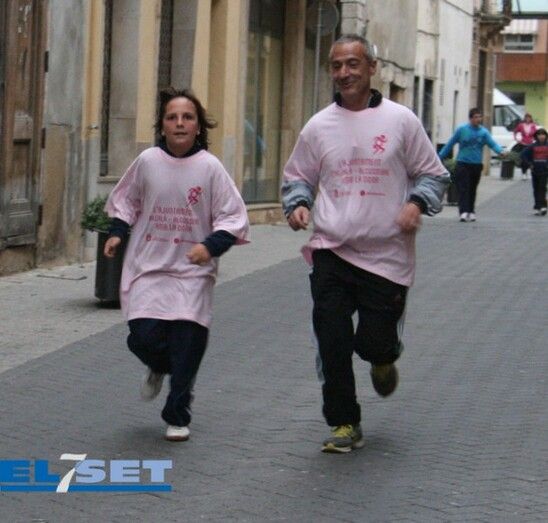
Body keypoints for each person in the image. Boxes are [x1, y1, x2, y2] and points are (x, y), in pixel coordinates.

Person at [281, 34, 449, 454]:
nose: (344, 73)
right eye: (337, 65)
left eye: (353, 64)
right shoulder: (318, 126)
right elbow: (298, 176)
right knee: (332, 340)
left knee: (372, 343)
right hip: (332, 249)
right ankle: (344, 422)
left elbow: (434, 174)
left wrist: (415, 203)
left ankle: (384, 356)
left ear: (372, 68)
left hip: (387, 256)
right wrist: (298, 204)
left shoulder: (401, 121)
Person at [104, 87, 249, 442]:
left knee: (188, 344)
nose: (180, 123)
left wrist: (209, 247)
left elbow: (233, 217)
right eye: (172, 117)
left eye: (188, 117)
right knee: (142, 337)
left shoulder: (210, 168)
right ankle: (157, 365)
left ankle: (177, 413)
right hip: (149, 268)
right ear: (162, 125)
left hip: (192, 273)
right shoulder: (148, 161)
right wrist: (117, 232)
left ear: (198, 126)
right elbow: (127, 201)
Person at [439, 108, 505, 222]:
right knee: (463, 187)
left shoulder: (483, 132)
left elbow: (492, 144)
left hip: (476, 164)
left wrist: (500, 151)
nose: (478, 119)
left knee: (472, 188)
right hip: (463, 163)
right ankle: (463, 212)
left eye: (480, 117)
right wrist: (439, 156)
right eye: (476, 117)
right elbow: (450, 143)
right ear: (470, 119)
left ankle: (471, 211)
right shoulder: (462, 130)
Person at [520, 128, 548, 215]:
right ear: (536, 136)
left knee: (542, 188)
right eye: (539, 134)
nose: (541, 136)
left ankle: (543, 206)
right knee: (536, 188)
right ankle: (538, 206)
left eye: (543, 134)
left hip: (545, 170)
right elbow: (523, 155)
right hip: (535, 170)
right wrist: (529, 164)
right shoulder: (532, 146)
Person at [513, 113, 538, 180]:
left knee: (531, 159)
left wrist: (535, 141)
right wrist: (517, 139)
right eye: (526, 117)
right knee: (524, 159)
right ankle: (524, 173)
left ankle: (530, 172)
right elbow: (515, 131)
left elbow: (536, 134)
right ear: (525, 118)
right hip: (523, 144)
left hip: (531, 144)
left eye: (529, 118)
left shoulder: (533, 126)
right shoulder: (521, 125)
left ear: (531, 118)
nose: (528, 119)